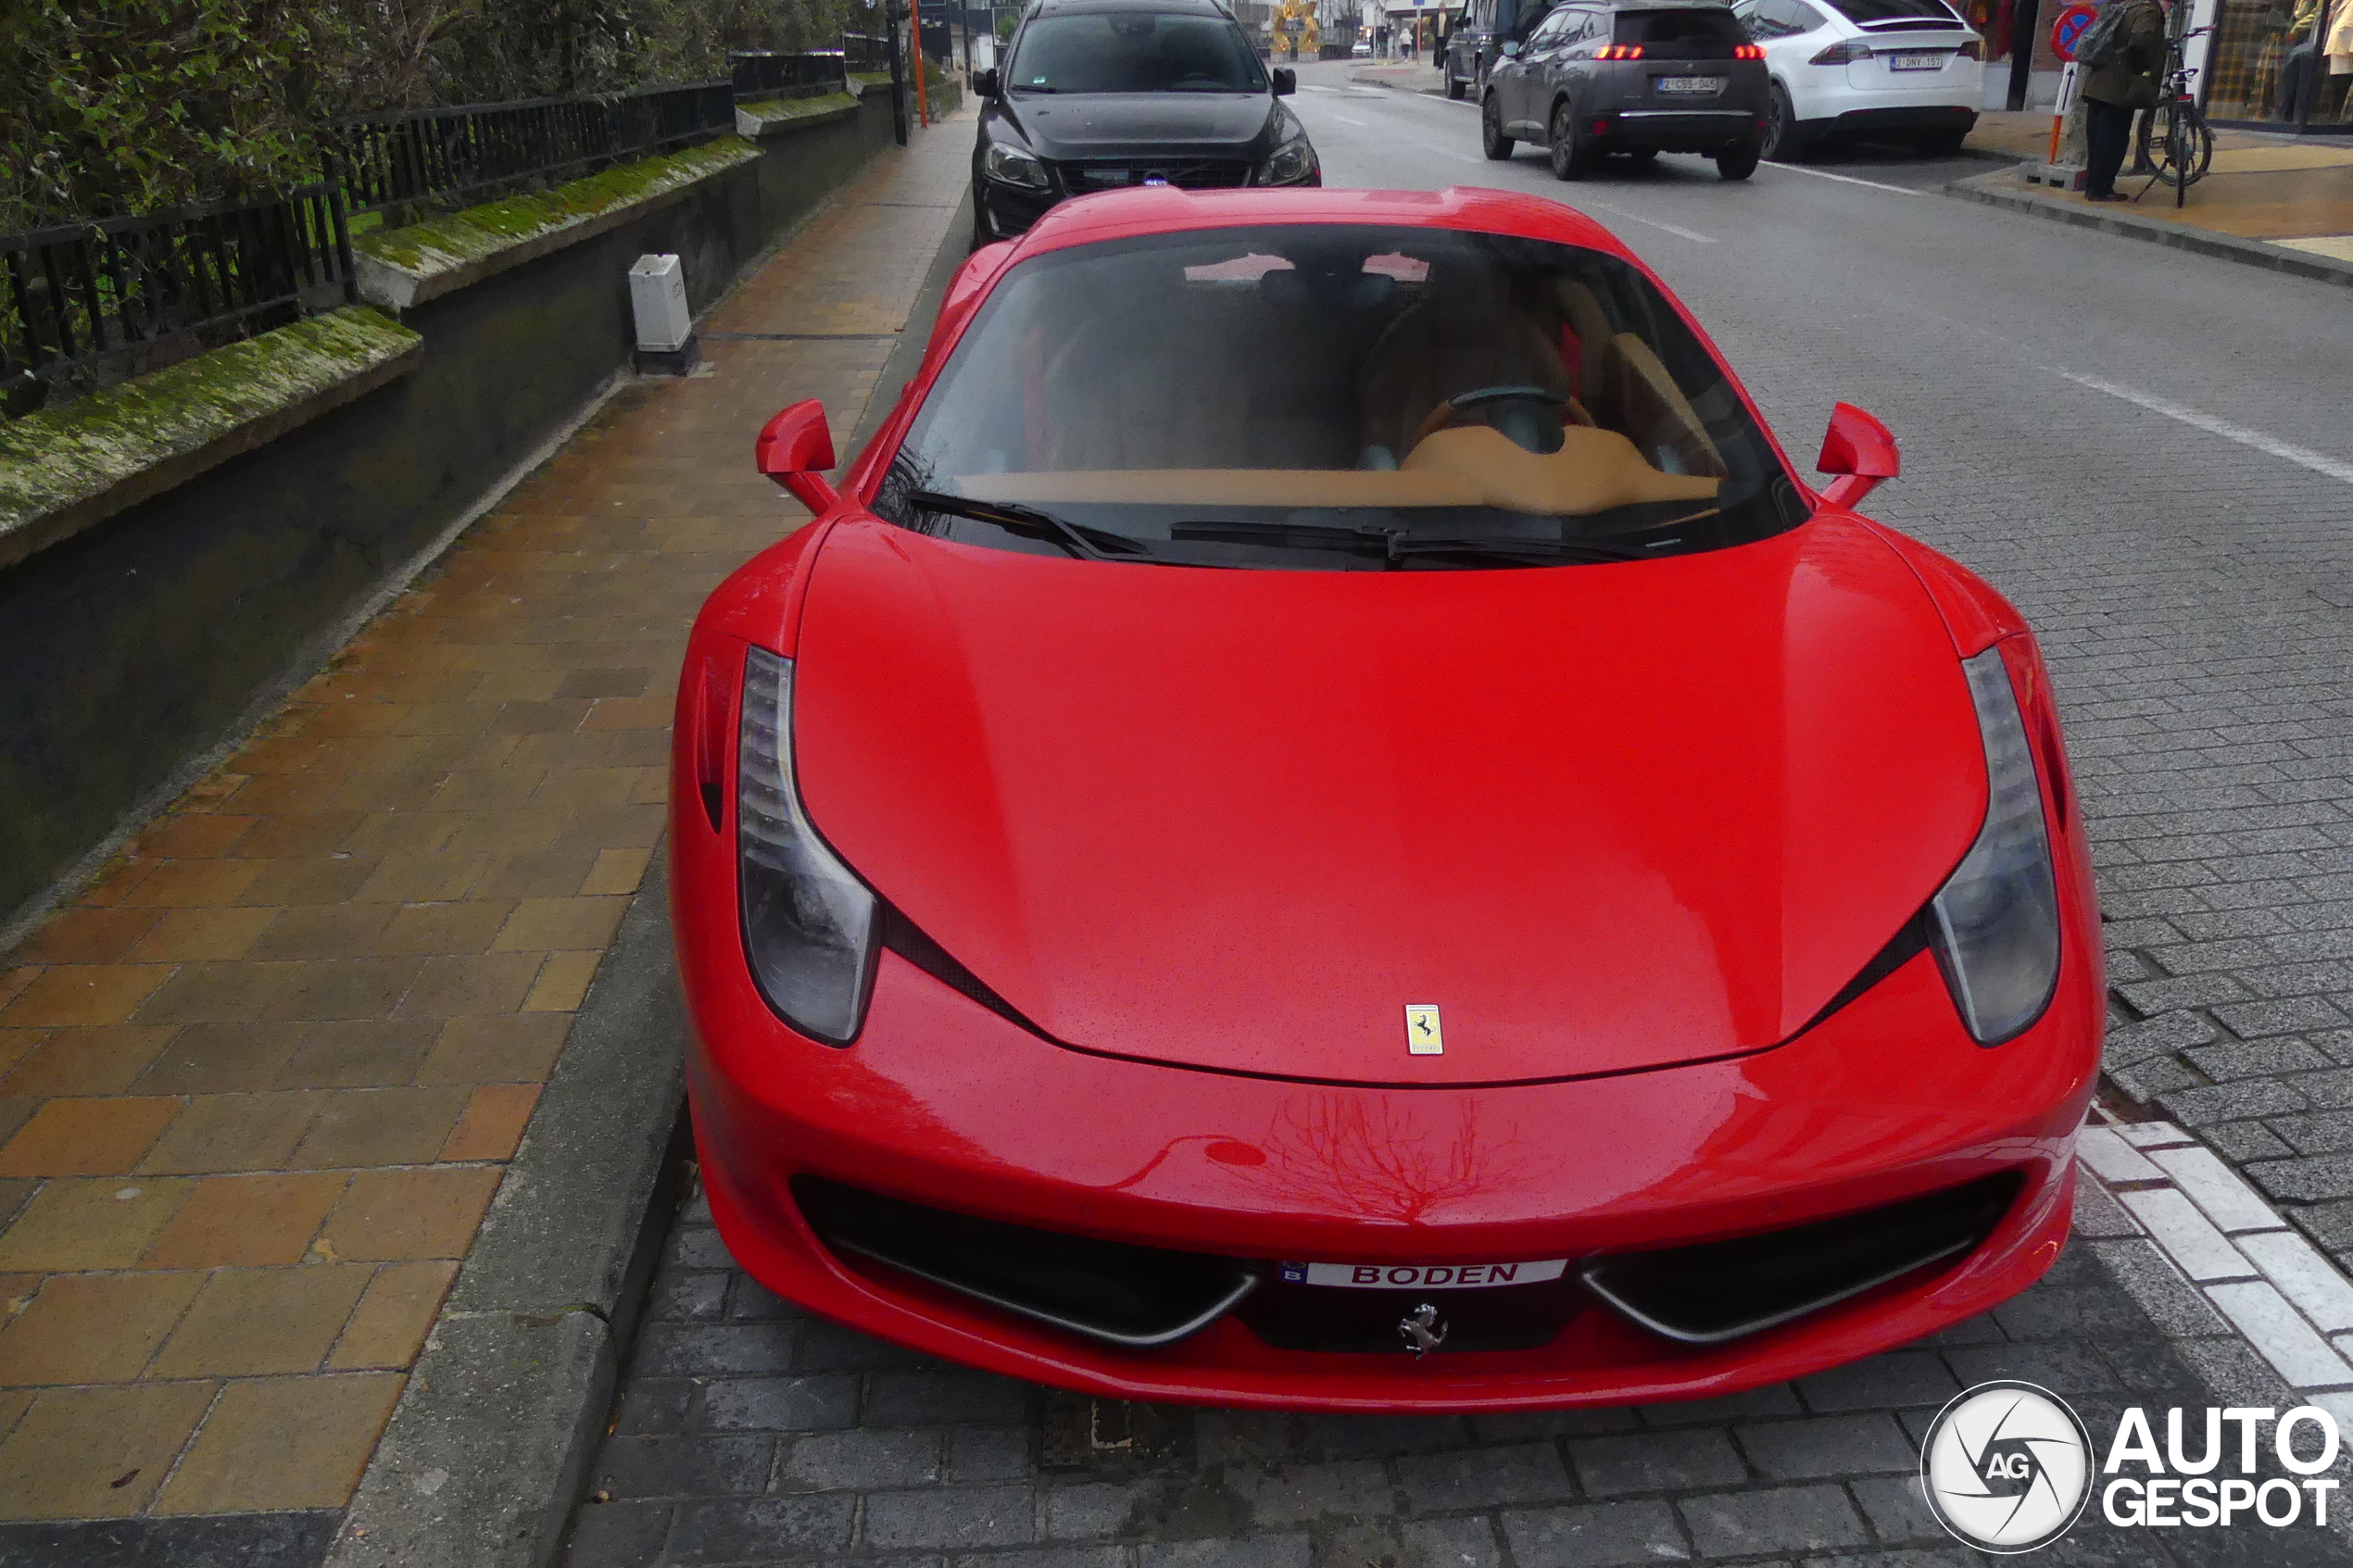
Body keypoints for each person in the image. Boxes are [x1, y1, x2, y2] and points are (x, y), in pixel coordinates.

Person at [2078, 0, 2168, 201]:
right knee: (2113, 141)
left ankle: (2093, 187)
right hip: (2118, 87)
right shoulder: (2148, 10)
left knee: (2097, 139)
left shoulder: (2129, 5)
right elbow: (2139, 42)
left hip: (2098, 83)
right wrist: (2140, 70)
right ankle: (2101, 189)